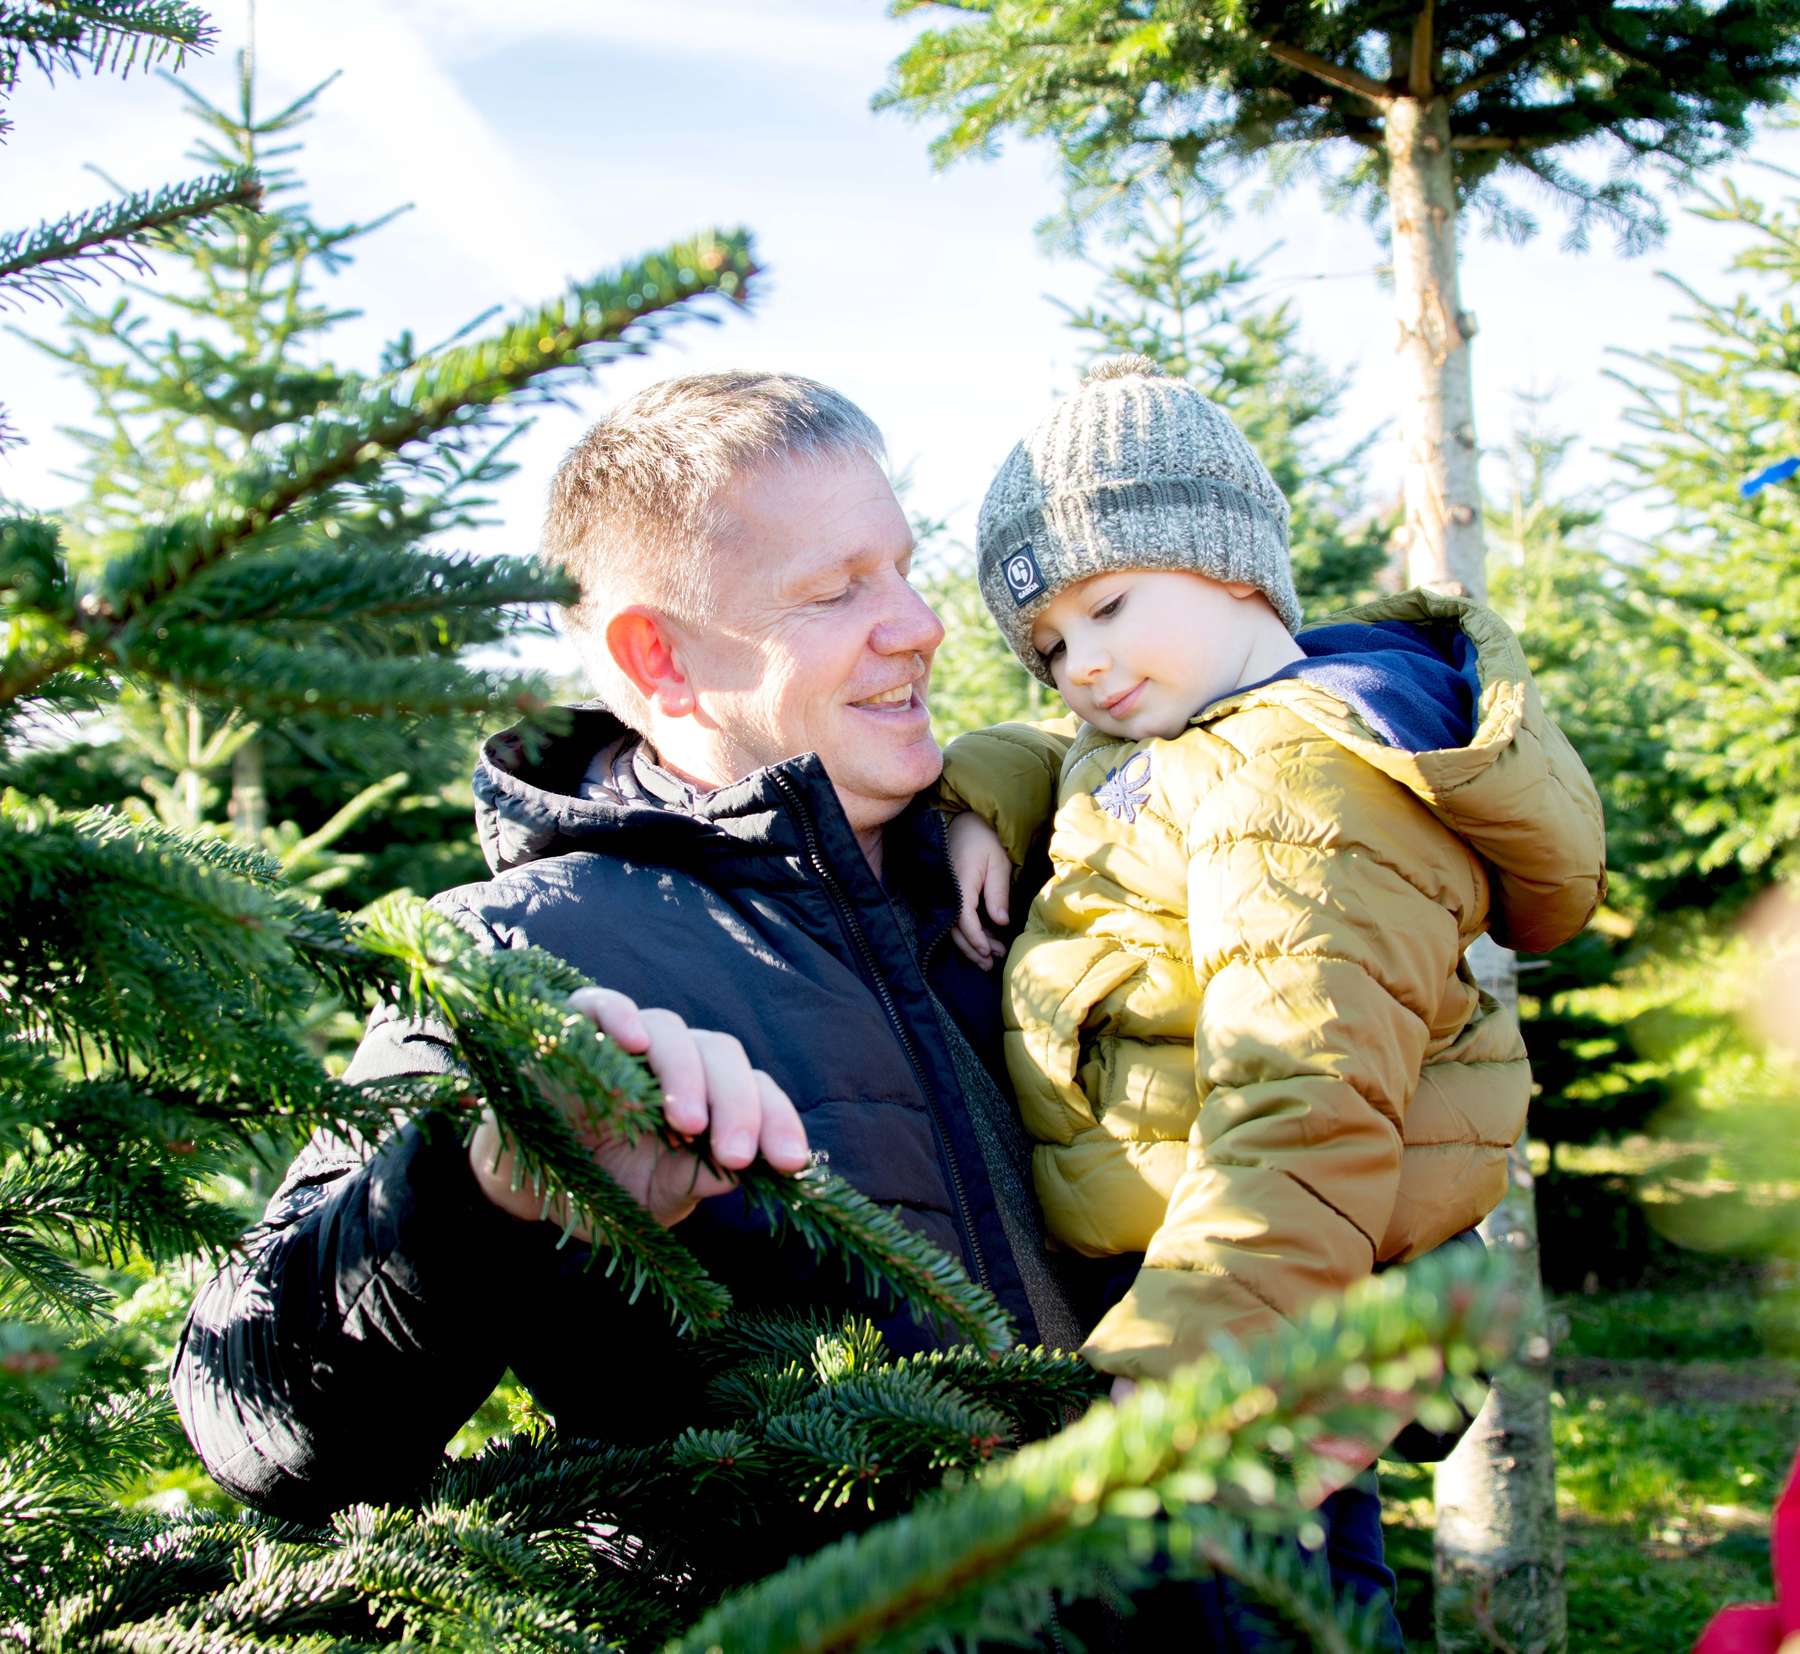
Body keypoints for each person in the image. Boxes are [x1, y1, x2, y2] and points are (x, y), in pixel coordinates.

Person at [172, 370, 1088, 1526]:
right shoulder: (521, 951)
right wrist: (486, 1183)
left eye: (902, 565)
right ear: (656, 658)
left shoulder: (1052, 846)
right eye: (835, 590)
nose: (920, 623)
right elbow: (253, 1420)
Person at [937, 355, 1608, 1644]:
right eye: (1050, 644)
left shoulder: (1296, 792)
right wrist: (979, 791)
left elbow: (1305, 1112)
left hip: (1245, 1326)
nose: (1084, 664)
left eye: (1111, 603)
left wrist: (1175, 1388)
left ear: (1227, 555)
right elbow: (1087, 765)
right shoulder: (1197, 733)